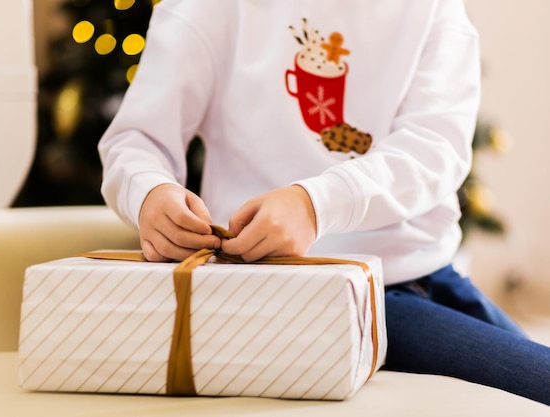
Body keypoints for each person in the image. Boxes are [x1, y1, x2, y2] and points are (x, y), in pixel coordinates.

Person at [98, 0, 550, 405]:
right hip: (271, 285)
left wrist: (317, 204)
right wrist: (149, 192)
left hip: (416, 279)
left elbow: (436, 151)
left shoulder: (432, 9)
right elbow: (137, 139)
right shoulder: (209, 8)